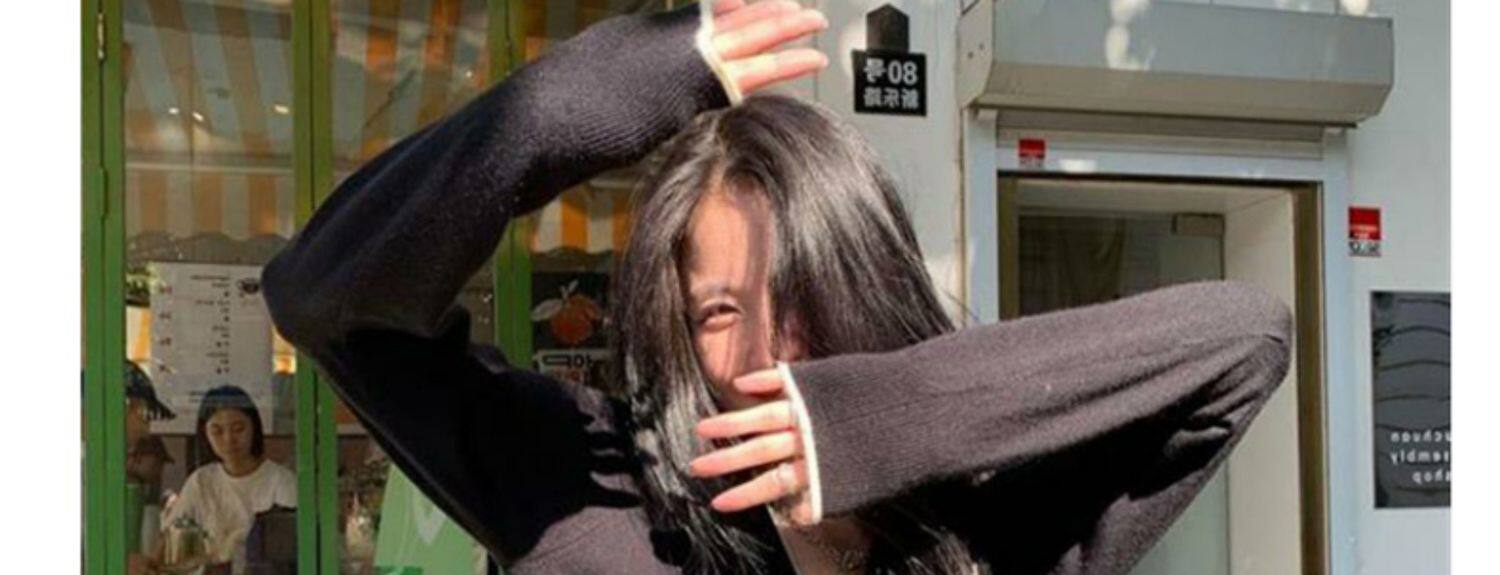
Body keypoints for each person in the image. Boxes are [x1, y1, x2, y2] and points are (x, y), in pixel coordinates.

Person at [261, 1, 1292, 573]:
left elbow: (1244, 338)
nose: (767, 348)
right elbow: (322, 298)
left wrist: (875, 423)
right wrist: (569, 110)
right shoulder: (595, 487)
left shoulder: (989, 525)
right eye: (718, 309)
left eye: (798, 292)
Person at [153, 385, 296, 575]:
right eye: (217, 431)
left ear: (254, 428)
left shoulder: (282, 482)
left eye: (238, 429)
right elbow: (170, 537)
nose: (229, 439)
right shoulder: (201, 481)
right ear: (205, 434)